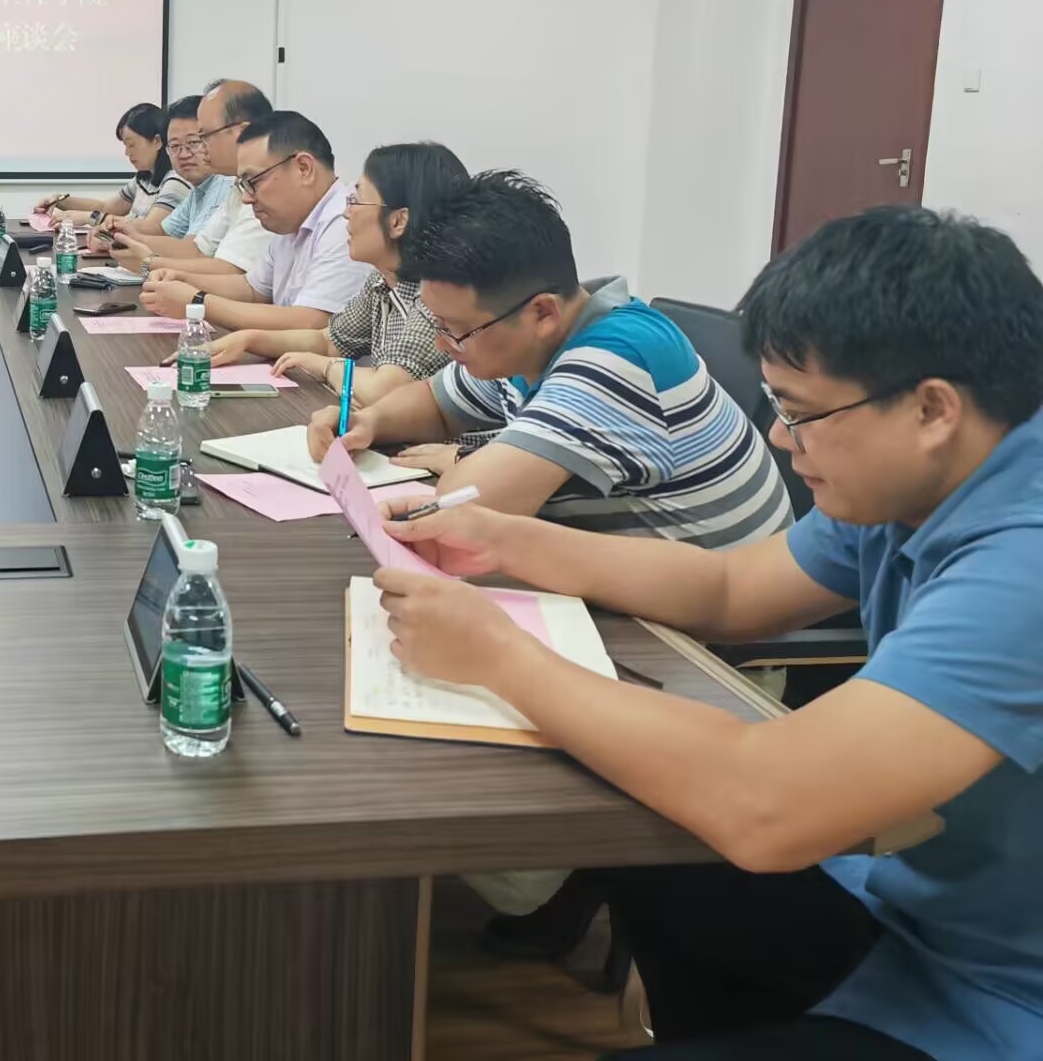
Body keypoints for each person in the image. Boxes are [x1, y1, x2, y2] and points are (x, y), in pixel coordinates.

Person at [378, 206, 1043, 1061]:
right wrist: (506, 540)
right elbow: (732, 588)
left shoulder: (1021, 562)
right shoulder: (920, 480)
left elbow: (770, 804)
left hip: (999, 998)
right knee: (647, 839)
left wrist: (500, 655)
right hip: (910, 908)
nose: (778, 438)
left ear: (933, 409)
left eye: (801, 413)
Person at [308, 169, 791, 547]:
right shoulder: (528, 335)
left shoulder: (615, 360)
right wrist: (367, 423)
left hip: (697, 633)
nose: (441, 346)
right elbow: (436, 402)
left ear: (542, 313)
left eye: (455, 331)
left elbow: (466, 506)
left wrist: (464, 459)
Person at [208, 141, 467, 405]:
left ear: (398, 221)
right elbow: (330, 340)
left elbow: (384, 389)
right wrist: (250, 339)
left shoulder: (438, 297)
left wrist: (325, 366)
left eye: (356, 201)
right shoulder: (382, 280)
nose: (346, 213)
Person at [140, 110, 369, 332]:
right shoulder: (291, 221)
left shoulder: (345, 220)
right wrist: (182, 279)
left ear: (304, 168)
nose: (247, 198)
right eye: (243, 185)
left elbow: (311, 322)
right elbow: (252, 289)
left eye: (253, 182)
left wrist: (197, 301)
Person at [108, 79, 273, 272]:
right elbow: (198, 250)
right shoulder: (239, 186)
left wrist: (149, 263)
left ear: (242, 132)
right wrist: (130, 238)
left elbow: (234, 273)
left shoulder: (260, 188)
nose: (190, 152)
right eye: (175, 146)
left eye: (201, 138)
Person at [34, 103, 187, 235]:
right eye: (126, 146)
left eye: (132, 145)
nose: (127, 152)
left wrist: (90, 217)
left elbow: (150, 228)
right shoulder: (144, 178)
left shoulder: (175, 182)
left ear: (157, 141)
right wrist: (60, 200)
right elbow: (106, 207)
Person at [156, 95, 233, 245]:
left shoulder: (224, 182)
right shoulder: (198, 188)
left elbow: (192, 249)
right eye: (175, 146)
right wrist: (121, 234)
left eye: (193, 142)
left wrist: (129, 241)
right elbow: (165, 232)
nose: (184, 155)